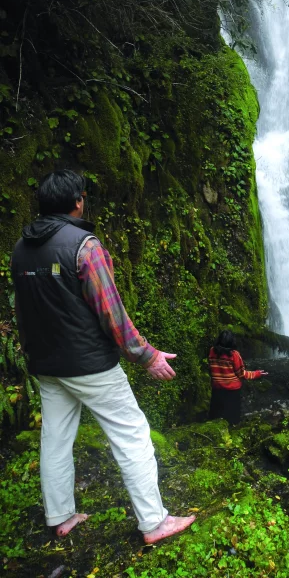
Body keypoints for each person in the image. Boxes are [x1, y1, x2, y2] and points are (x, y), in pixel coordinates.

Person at [11, 170, 195, 544]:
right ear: (78, 202)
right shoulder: (84, 246)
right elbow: (111, 312)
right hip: (90, 364)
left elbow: (23, 311)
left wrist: (32, 354)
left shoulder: (20, 249)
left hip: (46, 364)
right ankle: (154, 523)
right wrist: (147, 356)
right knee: (132, 434)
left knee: (55, 438)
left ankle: (61, 516)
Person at [208, 330, 268, 425]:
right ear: (232, 341)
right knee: (232, 419)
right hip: (232, 392)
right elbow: (241, 374)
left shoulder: (212, 351)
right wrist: (257, 374)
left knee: (215, 416)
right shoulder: (234, 355)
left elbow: (211, 368)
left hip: (217, 389)